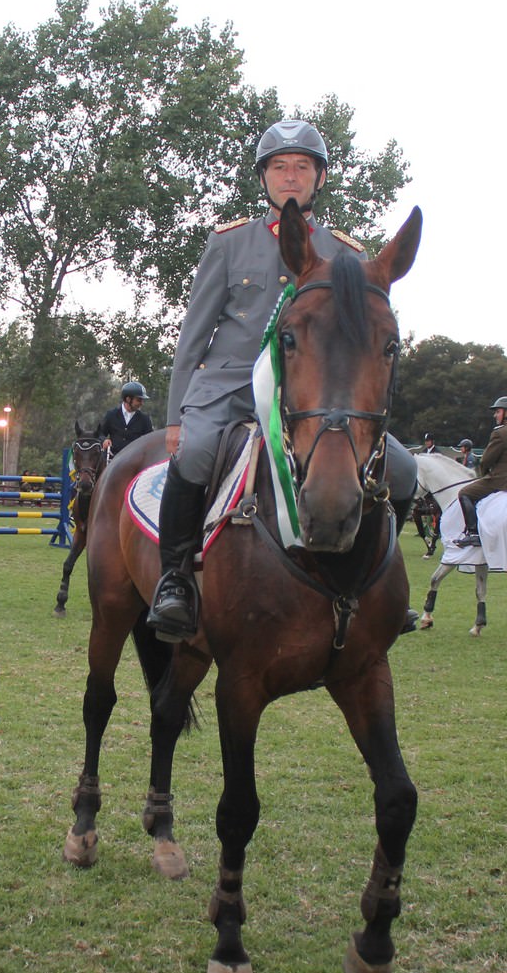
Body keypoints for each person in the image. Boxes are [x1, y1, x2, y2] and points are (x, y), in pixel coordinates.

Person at [148, 119, 418, 641]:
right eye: (279, 167)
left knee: (403, 470)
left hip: (311, 394)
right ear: (264, 178)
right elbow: (193, 335)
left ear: (319, 178)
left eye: (301, 167)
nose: (289, 177)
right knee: (199, 451)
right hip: (229, 385)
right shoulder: (229, 243)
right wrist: (176, 416)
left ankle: (374, 577)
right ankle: (176, 580)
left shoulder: (347, 254)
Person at [450, 396, 507, 548]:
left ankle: (474, 533)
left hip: (501, 480)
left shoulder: (500, 433)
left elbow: (486, 460)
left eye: (498, 411)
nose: (495, 415)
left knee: (464, 493)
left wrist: (484, 474)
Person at [97, 380, 154, 457]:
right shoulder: (111, 415)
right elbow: (100, 433)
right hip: (112, 459)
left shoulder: (145, 419)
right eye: (138, 400)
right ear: (128, 399)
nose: (141, 403)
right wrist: (104, 440)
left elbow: (150, 440)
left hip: (135, 461)